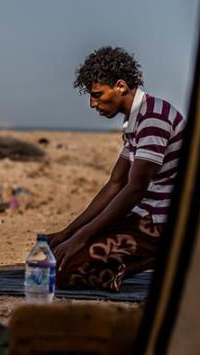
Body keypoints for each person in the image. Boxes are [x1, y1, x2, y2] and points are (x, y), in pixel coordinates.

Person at [48, 46, 186, 292]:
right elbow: (115, 184)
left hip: (160, 223)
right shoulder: (137, 121)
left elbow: (135, 189)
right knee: (59, 254)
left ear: (120, 86)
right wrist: (68, 232)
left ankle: (161, 256)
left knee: (66, 271)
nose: (93, 104)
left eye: (98, 95)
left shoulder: (154, 118)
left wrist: (81, 237)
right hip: (144, 217)